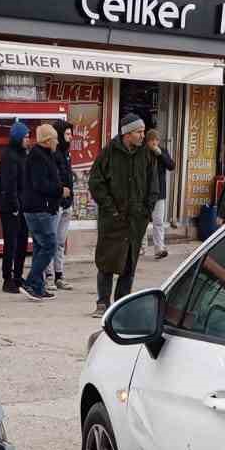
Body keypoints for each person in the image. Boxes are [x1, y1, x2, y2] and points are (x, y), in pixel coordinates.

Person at [88, 114, 153, 318]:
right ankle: (102, 302)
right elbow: (96, 182)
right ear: (127, 133)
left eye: (143, 131)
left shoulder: (146, 154)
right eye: (139, 132)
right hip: (113, 219)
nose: (143, 135)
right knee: (107, 262)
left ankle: (121, 304)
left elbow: (154, 185)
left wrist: (146, 211)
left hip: (136, 220)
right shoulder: (109, 152)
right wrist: (110, 208)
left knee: (129, 264)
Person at [19, 123, 64, 302]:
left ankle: (37, 286)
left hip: (41, 208)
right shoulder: (38, 157)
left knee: (40, 246)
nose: (57, 142)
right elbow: (40, 184)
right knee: (49, 246)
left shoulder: (45, 155)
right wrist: (60, 190)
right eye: (55, 139)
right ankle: (30, 282)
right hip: (38, 209)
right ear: (47, 140)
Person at [0, 121, 32, 293]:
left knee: (22, 242)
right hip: (11, 208)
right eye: (25, 137)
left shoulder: (23, 155)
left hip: (23, 206)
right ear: (18, 138)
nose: (28, 140)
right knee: (11, 243)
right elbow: (8, 185)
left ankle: (18, 275)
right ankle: (7, 279)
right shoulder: (9, 156)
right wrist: (15, 206)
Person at [48, 119, 76, 292]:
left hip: (67, 204)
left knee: (60, 242)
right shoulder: (53, 155)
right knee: (51, 242)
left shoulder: (66, 154)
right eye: (66, 134)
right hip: (56, 204)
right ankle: (49, 276)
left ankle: (59, 275)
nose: (70, 137)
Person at [145, 127, 177, 260]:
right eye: (152, 140)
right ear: (147, 141)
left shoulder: (162, 151)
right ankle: (141, 247)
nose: (154, 143)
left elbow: (171, 165)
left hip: (159, 192)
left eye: (156, 140)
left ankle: (159, 248)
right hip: (145, 192)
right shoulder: (143, 152)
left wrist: (160, 154)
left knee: (158, 221)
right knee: (142, 221)